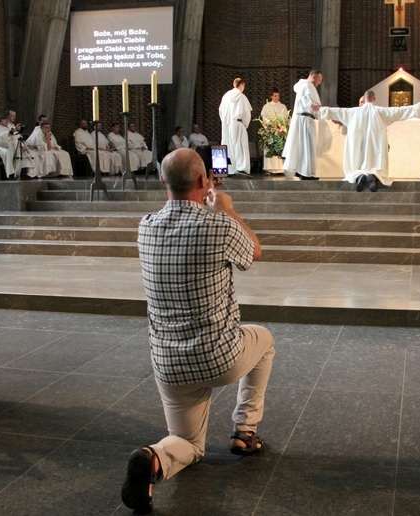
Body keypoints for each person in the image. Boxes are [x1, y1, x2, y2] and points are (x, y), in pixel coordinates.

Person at [122, 147, 275, 515]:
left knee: (188, 442)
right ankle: (244, 432)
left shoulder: (146, 227)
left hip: (169, 363)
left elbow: (185, 230)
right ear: (204, 181)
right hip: (219, 355)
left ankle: (153, 458)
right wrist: (226, 209)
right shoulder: (218, 225)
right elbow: (254, 251)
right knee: (265, 341)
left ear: (163, 183)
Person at [319, 90, 420, 191]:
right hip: (375, 144)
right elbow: (398, 111)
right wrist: (418, 106)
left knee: (358, 160)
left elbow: (337, 111)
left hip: (359, 143)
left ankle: (359, 176)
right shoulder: (381, 111)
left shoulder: (352, 112)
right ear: (374, 99)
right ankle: (373, 175)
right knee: (375, 160)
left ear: (364, 99)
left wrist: (320, 109)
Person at [283, 70, 323, 180]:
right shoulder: (307, 86)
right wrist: (321, 109)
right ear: (314, 77)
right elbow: (308, 103)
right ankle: (305, 173)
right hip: (305, 119)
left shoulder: (305, 86)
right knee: (307, 146)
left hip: (304, 119)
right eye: (319, 80)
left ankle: (302, 171)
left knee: (304, 146)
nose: (319, 83)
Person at [219, 78, 252, 176]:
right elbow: (246, 113)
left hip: (227, 124)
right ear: (241, 85)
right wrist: (245, 124)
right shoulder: (241, 97)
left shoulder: (225, 96)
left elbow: (220, 111)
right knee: (240, 146)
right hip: (238, 124)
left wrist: (225, 121)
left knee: (228, 145)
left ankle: (230, 168)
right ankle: (242, 167)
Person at [0, 113, 35, 178]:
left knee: (19, 152)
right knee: (6, 152)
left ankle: (20, 172)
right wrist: (12, 131)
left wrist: (22, 145)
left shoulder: (7, 128)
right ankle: (10, 174)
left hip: (7, 146)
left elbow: (16, 136)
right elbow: (1, 136)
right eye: (5, 120)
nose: (7, 121)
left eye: (7, 120)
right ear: (0, 120)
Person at [260, 90, 289, 174]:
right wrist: (270, 124)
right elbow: (263, 116)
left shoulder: (282, 106)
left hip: (280, 131)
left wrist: (281, 125)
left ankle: (280, 168)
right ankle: (269, 169)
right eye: (275, 96)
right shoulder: (267, 106)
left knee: (280, 147)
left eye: (278, 96)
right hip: (270, 130)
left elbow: (285, 118)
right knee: (269, 148)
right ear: (271, 96)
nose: (277, 97)